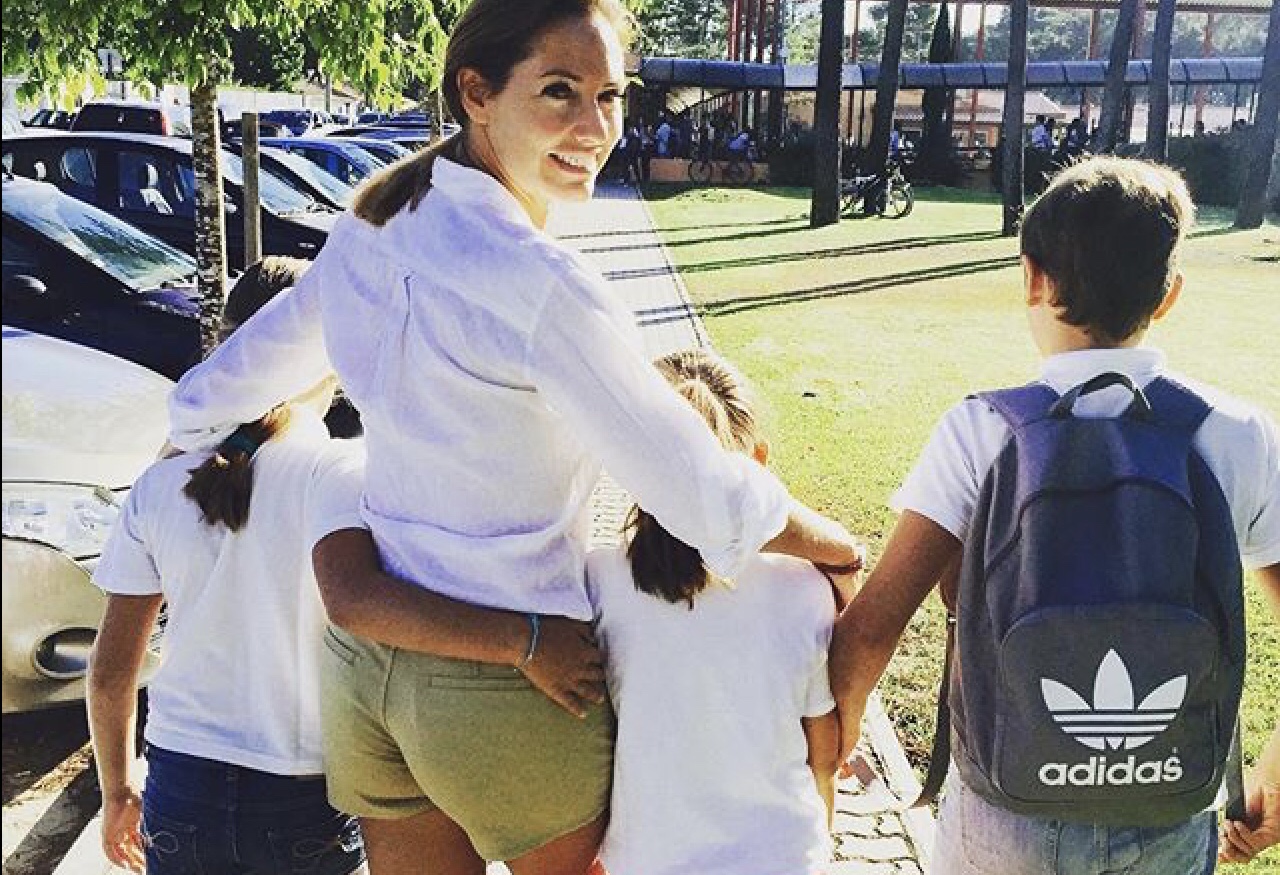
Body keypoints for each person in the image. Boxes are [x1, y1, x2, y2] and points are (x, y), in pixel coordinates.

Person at [165, 1, 864, 872]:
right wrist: (838, 550)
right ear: (477, 93)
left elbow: (213, 393)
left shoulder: (368, 230)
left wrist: (202, 446)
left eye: (610, 96)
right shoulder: (544, 285)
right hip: (507, 681)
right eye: (560, 91)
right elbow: (702, 493)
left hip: (368, 673)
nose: (594, 127)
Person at [828, 157, 1280, 874]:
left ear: (1032, 277)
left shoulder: (980, 430)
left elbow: (871, 629)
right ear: (1169, 295)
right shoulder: (1238, 434)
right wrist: (1274, 779)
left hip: (1004, 815)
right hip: (1166, 806)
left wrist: (837, 738)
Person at [87, 256, 368, 875]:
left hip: (181, 786)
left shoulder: (159, 484)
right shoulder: (342, 477)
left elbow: (110, 673)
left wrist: (118, 792)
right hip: (305, 789)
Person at [587, 349, 850, 875]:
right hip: (781, 859)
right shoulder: (806, 588)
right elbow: (823, 752)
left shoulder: (598, 582)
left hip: (649, 860)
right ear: (759, 462)